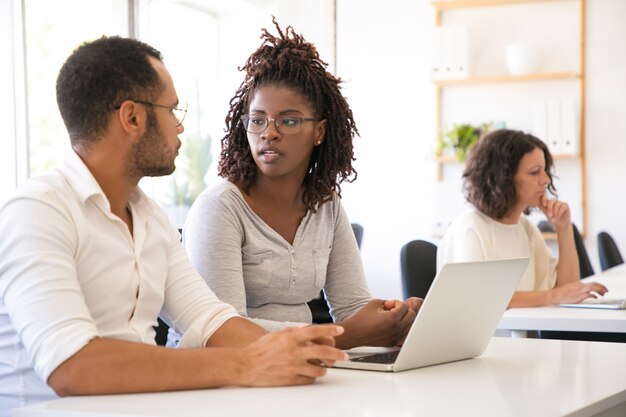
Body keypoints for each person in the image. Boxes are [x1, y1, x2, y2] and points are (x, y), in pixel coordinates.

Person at [0, 36, 348, 415]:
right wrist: (247, 364)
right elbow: (72, 367)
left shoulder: (150, 218)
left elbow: (211, 321)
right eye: (172, 111)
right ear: (132, 117)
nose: (180, 128)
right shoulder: (38, 210)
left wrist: (300, 349)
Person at [177, 19, 421, 350]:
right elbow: (224, 332)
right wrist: (342, 337)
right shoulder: (219, 208)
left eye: (288, 120)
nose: (269, 133)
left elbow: (352, 307)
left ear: (319, 131)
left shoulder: (326, 205)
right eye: (258, 120)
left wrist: (394, 317)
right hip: (227, 379)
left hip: (297, 370)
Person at [436, 129, 607, 308]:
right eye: (534, 172)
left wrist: (564, 228)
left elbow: (568, 290)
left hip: (523, 332)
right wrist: (553, 296)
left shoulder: (526, 228)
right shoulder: (471, 227)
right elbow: (480, 299)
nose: (546, 180)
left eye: (545, 171)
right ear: (503, 178)